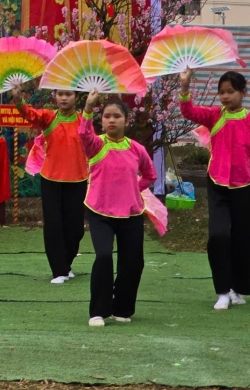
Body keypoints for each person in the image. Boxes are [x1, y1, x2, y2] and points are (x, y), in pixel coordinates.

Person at [179, 69, 250, 310]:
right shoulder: (214, 116)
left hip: (245, 187)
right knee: (218, 236)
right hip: (217, 184)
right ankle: (222, 291)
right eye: (222, 92)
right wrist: (185, 88)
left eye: (231, 92)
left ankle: (238, 289)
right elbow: (188, 111)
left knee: (242, 239)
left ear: (243, 92)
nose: (225, 97)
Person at [78, 91, 156, 327]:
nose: (111, 120)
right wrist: (89, 107)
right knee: (103, 257)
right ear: (102, 121)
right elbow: (83, 133)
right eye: (107, 117)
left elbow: (150, 175)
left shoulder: (136, 149)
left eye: (117, 116)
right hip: (100, 211)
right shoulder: (96, 144)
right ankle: (98, 311)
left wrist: (134, 188)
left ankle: (121, 308)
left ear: (126, 120)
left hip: (131, 213)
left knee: (133, 261)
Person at [11, 81, 88, 283]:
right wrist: (18, 100)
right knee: (54, 225)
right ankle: (59, 270)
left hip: (78, 179)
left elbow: (92, 143)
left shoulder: (83, 121)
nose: (64, 98)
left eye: (68, 94)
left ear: (77, 97)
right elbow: (30, 115)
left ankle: (66, 263)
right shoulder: (49, 117)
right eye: (60, 93)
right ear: (54, 96)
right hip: (51, 179)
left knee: (75, 229)